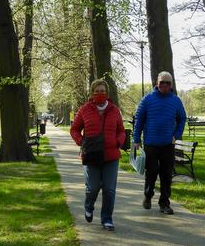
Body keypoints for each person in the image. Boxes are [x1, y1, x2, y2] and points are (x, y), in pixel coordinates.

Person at [70, 79, 126, 231]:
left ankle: (107, 219)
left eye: (103, 91)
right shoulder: (84, 109)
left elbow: (121, 130)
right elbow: (74, 129)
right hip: (91, 156)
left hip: (111, 156)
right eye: (97, 91)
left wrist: (118, 142)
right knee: (92, 188)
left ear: (107, 93)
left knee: (109, 189)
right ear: (92, 93)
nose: (100, 93)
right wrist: (82, 142)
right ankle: (89, 206)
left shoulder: (114, 110)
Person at [133, 71, 186, 215]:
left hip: (168, 144)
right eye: (162, 82)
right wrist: (136, 139)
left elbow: (182, 118)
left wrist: (177, 135)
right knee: (151, 173)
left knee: (166, 174)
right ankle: (148, 196)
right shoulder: (147, 99)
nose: (164, 85)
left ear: (171, 84)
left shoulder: (176, 101)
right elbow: (139, 120)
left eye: (167, 82)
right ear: (157, 83)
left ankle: (164, 203)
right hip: (150, 143)